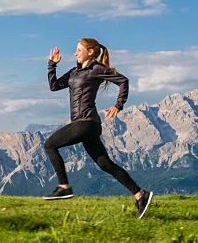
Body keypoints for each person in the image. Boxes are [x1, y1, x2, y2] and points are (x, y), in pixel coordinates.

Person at [43, 38, 153, 219]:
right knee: (105, 164)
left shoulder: (97, 69)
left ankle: (64, 187)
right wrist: (52, 65)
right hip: (84, 125)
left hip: (87, 123)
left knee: (50, 145)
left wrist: (118, 105)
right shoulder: (74, 72)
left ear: (91, 52)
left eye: (79, 50)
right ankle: (140, 195)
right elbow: (54, 86)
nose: (75, 53)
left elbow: (123, 81)